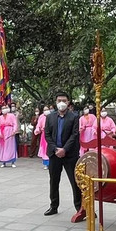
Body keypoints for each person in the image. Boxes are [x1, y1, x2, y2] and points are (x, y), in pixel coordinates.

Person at [44, 92, 83, 220]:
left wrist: (64, 149)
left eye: (64, 100)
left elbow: (75, 135)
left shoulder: (74, 117)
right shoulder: (50, 117)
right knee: (54, 181)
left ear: (68, 102)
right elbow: (47, 135)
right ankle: (53, 206)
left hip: (70, 154)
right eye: (59, 100)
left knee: (75, 182)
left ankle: (80, 208)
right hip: (54, 154)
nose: (61, 102)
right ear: (56, 102)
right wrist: (56, 149)